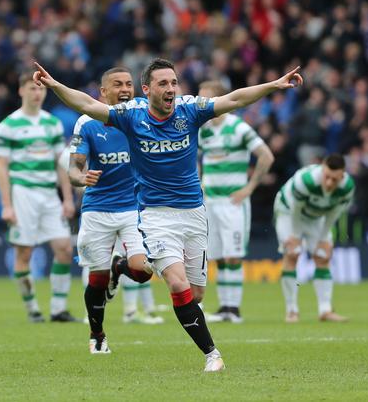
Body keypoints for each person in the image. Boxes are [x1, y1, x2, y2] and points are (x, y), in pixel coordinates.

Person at [33, 57, 302, 372]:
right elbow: (87, 105)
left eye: (174, 82)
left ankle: (120, 268)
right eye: (163, 83)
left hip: (193, 214)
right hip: (155, 216)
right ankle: (212, 355)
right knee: (176, 284)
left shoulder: (190, 109)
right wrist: (54, 86)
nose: (171, 89)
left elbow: (234, 98)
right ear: (147, 89)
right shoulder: (131, 116)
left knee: (196, 292)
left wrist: (272, 85)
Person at [68, 67, 161, 353]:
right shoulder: (88, 122)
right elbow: (74, 167)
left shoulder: (144, 116)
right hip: (98, 208)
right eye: (117, 84)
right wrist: (80, 178)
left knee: (144, 270)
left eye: (129, 84)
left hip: (135, 207)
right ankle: (97, 334)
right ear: (103, 92)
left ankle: (118, 267)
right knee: (96, 280)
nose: (124, 89)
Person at [0, 74, 78, 323]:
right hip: (23, 192)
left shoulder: (52, 123)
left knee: (64, 248)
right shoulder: (9, 125)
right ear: (21, 91)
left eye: (40, 88)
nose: (37, 93)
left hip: (49, 193)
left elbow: (61, 164)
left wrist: (67, 199)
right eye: (31, 88)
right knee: (25, 253)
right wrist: (7, 205)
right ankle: (32, 308)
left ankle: (58, 308)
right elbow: (1, 166)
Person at [197, 80, 274, 324]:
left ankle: (235, 309)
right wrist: (199, 181)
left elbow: (266, 156)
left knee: (233, 256)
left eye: (206, 98)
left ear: (220, 99)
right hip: (211, 201)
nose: (201, 102)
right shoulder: (204, 129)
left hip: (233, 203)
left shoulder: (238, 128)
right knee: (218, 256)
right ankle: (224, 308)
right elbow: (192, 158)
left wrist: (250, 187)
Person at [275, 154, 354, 323]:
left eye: (335, 179)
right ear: (322, 169)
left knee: (323, 255)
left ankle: (325, 310)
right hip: (288, 212)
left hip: (317, 216)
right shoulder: (306, 180)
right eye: (327, 177)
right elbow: (296, 210)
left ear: (342, 175)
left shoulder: (347, 187)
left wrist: (324, 237)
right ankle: (291, 311)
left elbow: (334, 213)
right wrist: (295, 236)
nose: (329, 183)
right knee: (292, 253)